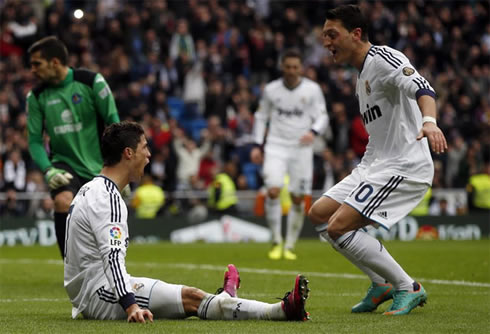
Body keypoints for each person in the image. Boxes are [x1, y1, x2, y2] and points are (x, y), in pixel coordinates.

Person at [64, 121, 310, 322]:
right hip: (101, 294)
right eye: (144, 148)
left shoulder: (90, 189)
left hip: (92, 290)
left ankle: (228, 298)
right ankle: (279, 310)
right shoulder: (107, 197)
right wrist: (130, 305)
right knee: (193, 299)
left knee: (191, 298)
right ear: (128, 153)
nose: (149, 155)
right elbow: (112, 256)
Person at [308, 5, 447, 316]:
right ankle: (380, 283)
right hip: (375, 164)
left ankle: (406, 286)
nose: (327, 43)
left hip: (405, 165)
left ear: (356, 34)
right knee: (318, 214)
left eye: (333, 35)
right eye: (324, 37)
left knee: (339, 227)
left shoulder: (383, 59)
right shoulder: (362, 78)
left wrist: (430, 122)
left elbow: (423, 87)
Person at [26, 36, 120, 257]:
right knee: (62, 200)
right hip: (64, 165)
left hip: (99, 166)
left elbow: (114, 123)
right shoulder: (37, 96)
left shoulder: (91, 82)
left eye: (37, 63)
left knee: (102, 227)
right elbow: (35, 141)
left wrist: (119, 167)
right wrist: (49, 171)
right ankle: (70, 265)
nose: (32, 70)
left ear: (55, 62)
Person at [250, 49, 328, 260]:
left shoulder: (312, 90)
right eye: (288, 67)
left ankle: (290, 245)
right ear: (282, 67)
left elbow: (322, 116)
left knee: (298, 197)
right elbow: (260, 116)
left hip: (301, 148)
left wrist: (313, 132)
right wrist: (257, 144)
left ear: (301, 68)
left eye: (295, 67)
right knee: (273, 190)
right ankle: (276, 241)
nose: (292, 71)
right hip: (275, 146)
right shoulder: (272, 90)